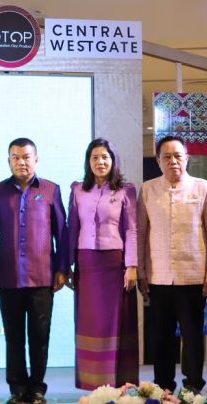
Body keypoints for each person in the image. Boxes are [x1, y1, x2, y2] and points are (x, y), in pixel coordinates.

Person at [137, 135, 207, 394]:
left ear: (187, 158)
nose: (173, 161)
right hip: (159, 277)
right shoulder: (148, 190)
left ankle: (193, 387)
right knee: (161, 337)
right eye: (166, 156)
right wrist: (141, 272)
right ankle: (163, 388)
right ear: (158, 161)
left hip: (193, 275)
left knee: (192, 335)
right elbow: (140, 233)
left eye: (177, 156)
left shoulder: (202, 187)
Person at [0, 138, 68, 404]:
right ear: (9, 161)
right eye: (15, 157)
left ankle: (36, 388)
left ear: (36, 160)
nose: (21, 162)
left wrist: (62, 268)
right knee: (13, 338)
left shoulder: (50, 190)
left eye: (26, 157)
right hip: (8, 277)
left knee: (39, 337)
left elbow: (62, 232)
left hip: (42, 277)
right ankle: (17, 388)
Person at [67, 138, 138, 390]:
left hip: (115, 265)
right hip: (86, 265)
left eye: (105, 157)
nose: (100, 162)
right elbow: (72, 228)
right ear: (88, 161)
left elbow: (132, 230)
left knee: (116, 324)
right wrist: (67, 266)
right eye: (95, 157)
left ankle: (119, 384)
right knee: (91, 323)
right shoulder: (78, 189)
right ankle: (92, 385)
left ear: (113, 160)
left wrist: (131, 266)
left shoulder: (126, 190)